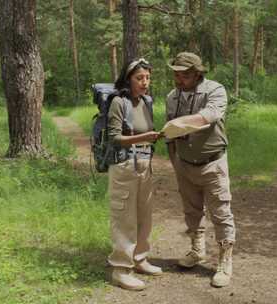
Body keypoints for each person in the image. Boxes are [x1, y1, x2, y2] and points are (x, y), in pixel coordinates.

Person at [165, 52, 236, 287]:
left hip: (213, 163)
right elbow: (170, 136)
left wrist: (181, 124)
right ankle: (197, 250)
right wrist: (174, 162)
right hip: (184, 164)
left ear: (197, 73)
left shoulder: (215, 90)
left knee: (220, 212)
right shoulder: (172, 98)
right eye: (175, 73)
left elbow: (210, 115)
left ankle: (225, 261)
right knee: (191, 211)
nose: (178, 78)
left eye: (184, 74)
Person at [107, 58, 162, 291]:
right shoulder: (119, 102)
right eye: (140, 78)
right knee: (124, 218)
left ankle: (140, 259)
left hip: (144, 164)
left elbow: (146, 130)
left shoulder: (146, 101)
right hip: (124, 165)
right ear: (128, 78)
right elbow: (115, 138)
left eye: (148, 78)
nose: (145, 82)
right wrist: (144, 137)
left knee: (144, 215)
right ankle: (121, 270)